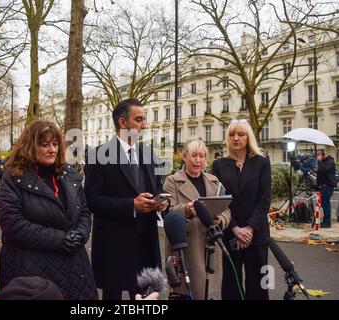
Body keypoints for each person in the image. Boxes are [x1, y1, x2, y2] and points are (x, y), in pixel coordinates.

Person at [0, 120, 98, 300]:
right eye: (44, 145)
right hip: (32, 268)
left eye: (55, 144)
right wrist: (61, 239)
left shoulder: (70, 174)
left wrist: (81, 234)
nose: (52, 149)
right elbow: (13, 224)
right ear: (30, 146)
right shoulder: (13, 178)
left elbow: (84, 211)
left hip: (75, 267)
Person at [84, 98, 168, 300]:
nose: (145, 125)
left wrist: (162, 203)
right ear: (123, 123)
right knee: (112, 296)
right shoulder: (98, 155)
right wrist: (131, 205)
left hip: (145, 241)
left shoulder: (148, 154)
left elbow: (157, 189)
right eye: (139, 119)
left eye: (145, 119)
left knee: (145, 297)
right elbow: (92, 201)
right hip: (114, 244)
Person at [163, 139, 230, 300]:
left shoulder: (214, 181)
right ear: (184, 157)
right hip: (186, 248)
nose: (197, 160)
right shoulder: (172, 181)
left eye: (201, 156)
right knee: (189, 293)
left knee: (208, 292)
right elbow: (167, 213)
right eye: (193, 155)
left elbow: (227, 209)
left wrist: (220, 220)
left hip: (210, 246)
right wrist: (186, 209)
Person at [212, 119, 271, 300]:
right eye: (232, 134)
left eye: (241, 134)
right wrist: (236, 229)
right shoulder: (219, 165)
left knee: (259, 283)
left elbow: (264, 200)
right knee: (231, 284)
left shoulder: (261, 162)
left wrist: (249, 229)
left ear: (248, 137)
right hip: (231, 233)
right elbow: (220, 202)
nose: (236, 138)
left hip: (256, 234)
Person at [316, 148, 336, 228]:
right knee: (325, 205)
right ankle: (325, 221)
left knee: (326, 205)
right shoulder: (324, 162)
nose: (317, 156)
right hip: (323, 186)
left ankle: (327, 223)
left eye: (318, 154)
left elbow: (324, 170)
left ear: (323, 154)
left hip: (327, 187)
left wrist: (319, 161)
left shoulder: (330, 161)